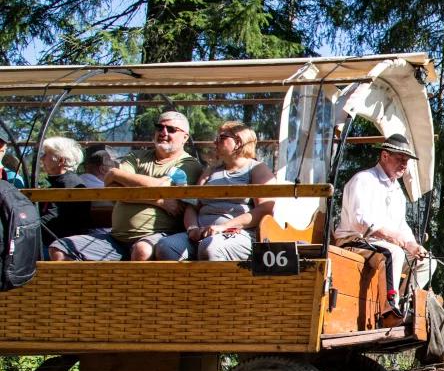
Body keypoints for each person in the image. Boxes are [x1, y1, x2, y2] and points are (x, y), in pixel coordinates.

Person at [48, 111, 202, 261]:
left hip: (158, 236)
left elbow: (163, 188)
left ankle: (132, 287)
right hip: (115, 238)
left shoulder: (188, 164)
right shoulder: (136, 156)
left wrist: (118, 176)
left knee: (142, 250)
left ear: (185, 137)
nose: (163, 132)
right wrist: (158, 201)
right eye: (159, 127)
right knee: (60, 249)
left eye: (171, 129)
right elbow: (113, 190)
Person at [332, 132, 435, 313]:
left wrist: (413, 245)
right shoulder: (363, 180)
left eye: (407, 160)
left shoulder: (397, 191)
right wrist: (396, 239)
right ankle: (389, 310)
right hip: (353, 242)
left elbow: (401, 226)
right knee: (393, 252)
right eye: (400, 158)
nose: (404, 164)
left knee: (427, 262)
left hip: (380, 247)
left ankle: (404, 305)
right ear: (385, 156)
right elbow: (360, 223)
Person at [154, 121, 274, 261]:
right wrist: (192, 228)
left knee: (210, 248)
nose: (215, 142)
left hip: (238, 234)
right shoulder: (210, 171)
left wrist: (224, 227)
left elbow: (265, 209)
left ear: (239, 142)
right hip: (202, 234)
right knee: (166, 247)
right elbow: (192, 205)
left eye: (221, 138)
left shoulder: (257, 169)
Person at [37, 136, 93, 244]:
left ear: (61, 160)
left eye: (46, 154)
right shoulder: (62, 183)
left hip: (62, 245)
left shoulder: (69, 185)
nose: (41, 158)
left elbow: (51, 221)